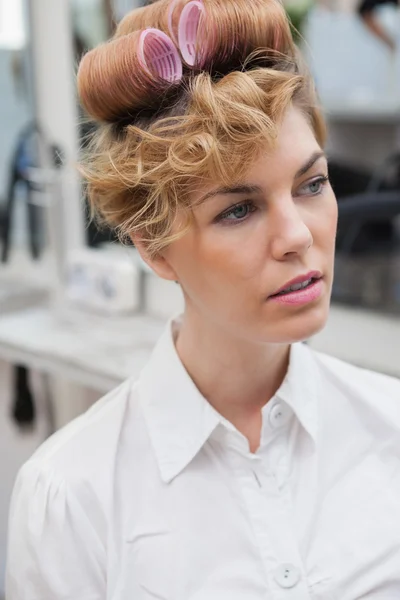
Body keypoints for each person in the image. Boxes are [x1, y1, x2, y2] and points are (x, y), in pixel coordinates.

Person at [6, 0, 400, 598]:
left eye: (312, 184)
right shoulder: (72, 496)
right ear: (155, 248)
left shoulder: (389, 426)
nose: (298, 236)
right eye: (237, 209)